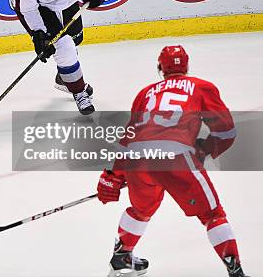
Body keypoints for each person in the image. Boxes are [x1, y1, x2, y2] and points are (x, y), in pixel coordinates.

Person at [96, 45, 249, 277]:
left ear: (160, 68)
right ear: (187, 66)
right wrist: (203, 150)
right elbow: (226, 132)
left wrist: (113, 175)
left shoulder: (144, 93)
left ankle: (121, 256)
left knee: (141, 209)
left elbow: (129, 135)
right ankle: (235, 271)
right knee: (212, 215)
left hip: (137, 159)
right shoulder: (201, 87)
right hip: (175, 157)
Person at [7, 0, 113, 115]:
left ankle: (64, 77)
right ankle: (79, 92)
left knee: (75, 41)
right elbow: (26, 10)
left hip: (70, 1)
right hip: (44, 10)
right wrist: (38, 35)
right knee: (65, 48)